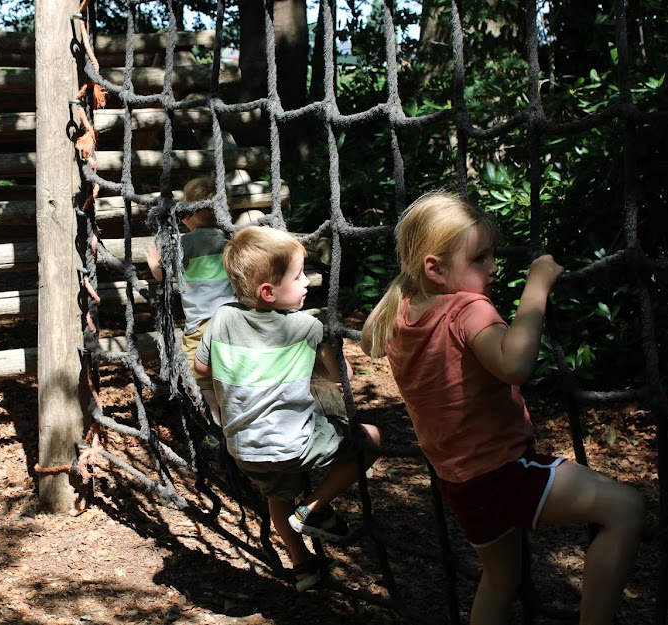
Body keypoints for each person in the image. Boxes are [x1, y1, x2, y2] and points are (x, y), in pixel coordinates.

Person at [360, 191, 643, 624]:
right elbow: (514, 364)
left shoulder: (399, 310)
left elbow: (366, 339)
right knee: (625, 508)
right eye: (480, 258)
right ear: (433, 269)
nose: (493, 267)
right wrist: (538, 285)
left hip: (458, 481)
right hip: (502, 470)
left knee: (500, 578)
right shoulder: (467, 308)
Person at [194, 225, 382, 591]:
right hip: (295, 446)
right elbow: (335, 377)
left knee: (275, 498)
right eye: (298, 276)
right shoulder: (305, 327)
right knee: (371, 438)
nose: (307, 282)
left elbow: (202, 368)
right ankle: (313, 506)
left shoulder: (222, 318)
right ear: (269, 291)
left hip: (245, 450)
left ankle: (302, 567)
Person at [146, 175, 237, 426]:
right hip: (231, 322)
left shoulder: (184, 244)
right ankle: (233, 419)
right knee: (227, 372)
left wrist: (154, 264)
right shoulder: (229, 242)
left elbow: (164, 275)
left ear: (188, 214)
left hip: (200, 327)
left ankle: (215, 423)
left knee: (198, 376)